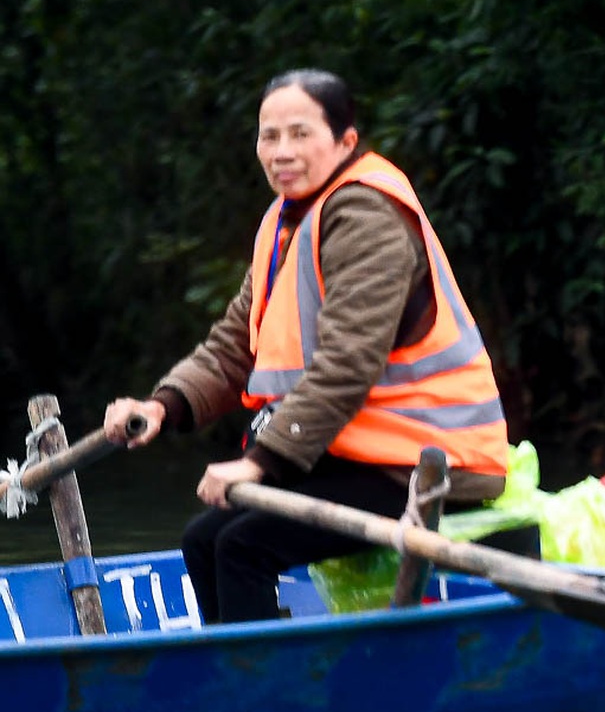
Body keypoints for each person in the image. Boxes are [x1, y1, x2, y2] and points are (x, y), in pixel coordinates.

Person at [103, 69, 511, 623]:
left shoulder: (367, 216)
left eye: (300, 134)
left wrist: (258, 462)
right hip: (352, 456)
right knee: (203, 540)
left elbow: (348, 364)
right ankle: (237, 680)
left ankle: (266, 694)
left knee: (243, 545)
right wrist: (162, 405)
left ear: (345, 142)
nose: (281, 152)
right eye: (268, 137)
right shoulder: (285, 221)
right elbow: (231, 347)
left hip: (421, 462)